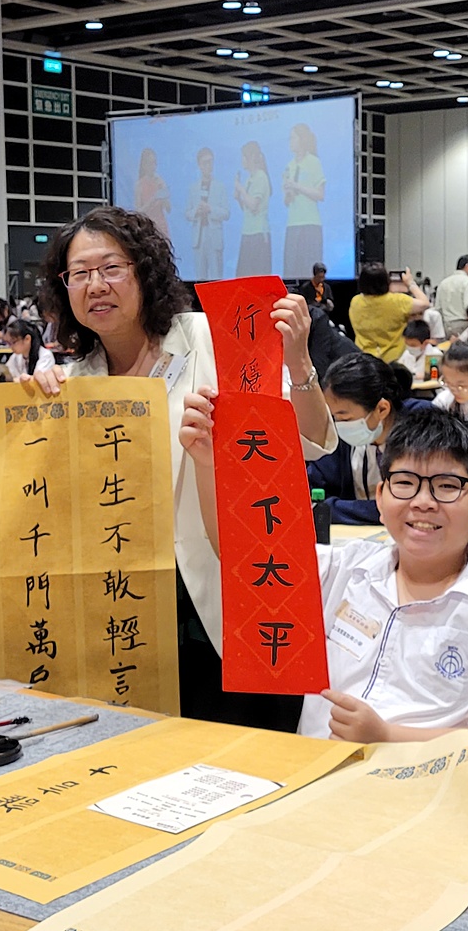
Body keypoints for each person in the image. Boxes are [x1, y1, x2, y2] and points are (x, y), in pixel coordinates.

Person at [29, 205, 336, 730]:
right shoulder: (73, 383)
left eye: (111, 268)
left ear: (145, 272)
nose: (96, 285)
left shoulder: (211, 338)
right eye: (79, 273)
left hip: (229, 603)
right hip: (127, 617)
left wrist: (299, 362)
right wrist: (37, 413)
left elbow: (308, 442)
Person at [180, 402, 468, 749]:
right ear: (380, 496)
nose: (422, 502)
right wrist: (210, 463)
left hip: (430, 788)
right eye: (405, 483)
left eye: (446, 486)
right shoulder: (347, 569)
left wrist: (387, 737)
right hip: (315, 777)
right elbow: (243, 555)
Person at [307, 351, 415, 523]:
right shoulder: (339, 438)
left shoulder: (423, 428)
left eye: (345, 418)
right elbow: (312, 499)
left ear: (382, 409)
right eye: (334, 417)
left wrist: (339, 508)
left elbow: (411, 506)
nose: (339, 424)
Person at [346, 263, 427, 362]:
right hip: (394, 359)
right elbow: (424, 303)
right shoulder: (397, 301)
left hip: (365, 359)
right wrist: (410, 283)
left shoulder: (355, 301)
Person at [280, 121, 325, 269]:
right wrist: (288, 194)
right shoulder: (289, 165)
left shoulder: (313, 162)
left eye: (293, 138)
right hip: (293, 224)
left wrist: (297, 186)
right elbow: (286, 201)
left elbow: (320, 194)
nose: (290, 141)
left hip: (310, 224)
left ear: (302, 139)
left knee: (309, 268)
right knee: (291, 267)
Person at [186, 146, 229, 278]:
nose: (208, 165)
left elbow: (226, 213)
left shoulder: (220, 186)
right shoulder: (193, 188)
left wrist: (210, 209)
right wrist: (196, 211)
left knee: (216, 276)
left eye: (211, 162)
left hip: (214, 235)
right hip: (199, 236)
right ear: (199, 165)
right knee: (200, 277)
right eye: (205, 162)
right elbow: (187, 213)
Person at [233, 141, 273, 275]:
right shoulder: (249, 179)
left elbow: (254, 205)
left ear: (250, 157)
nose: (242, 160)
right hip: (248, 232)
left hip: (258, 234)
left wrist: (241, 190)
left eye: (243, 157)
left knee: (256, 274)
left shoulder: (260, 176)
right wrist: (239, 198)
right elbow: (247, 209)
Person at [0, 317, 53, 382]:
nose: (10, 347)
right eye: (8, 343)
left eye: (13, 342)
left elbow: (37, 381)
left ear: (27, 339)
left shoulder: (45, 356)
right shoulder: (16, 356)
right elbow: (7, 375)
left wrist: (14, 380)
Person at [134, 146, 171, 241]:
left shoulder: (160, 181)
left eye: (154, 163)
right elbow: (138, 212)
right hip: (147, 226)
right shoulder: (139, 185)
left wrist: (163, 191)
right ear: (144, 165)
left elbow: (168, 209)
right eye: (150, 163)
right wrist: (154, 199)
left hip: (161, 225)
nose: (153, 166)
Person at [435, 254, 468, 324]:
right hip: (463, 324)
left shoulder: (443, 282)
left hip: (445, 324)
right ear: (467, 266)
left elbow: (438, 307)